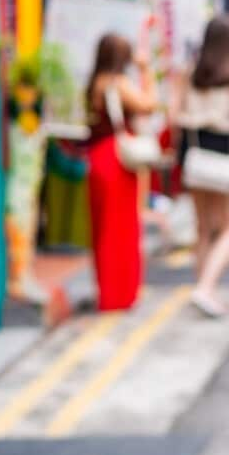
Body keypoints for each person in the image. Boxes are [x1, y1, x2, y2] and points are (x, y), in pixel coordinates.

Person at [179, 14, 229, 316]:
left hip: (195, 154)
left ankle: (203, 287)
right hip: (223, 154)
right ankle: (206, 288)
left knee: (203, 228)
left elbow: (175, 114)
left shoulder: (189, 72)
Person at [85, 20, 157, 311]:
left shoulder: (94, 83)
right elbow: (149, 104)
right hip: (117, 160)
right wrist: (146, 69)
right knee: (122, 229)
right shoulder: (118, 83)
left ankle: (108, 291)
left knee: (103, 228)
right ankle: (121, 294)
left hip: (97, 157)